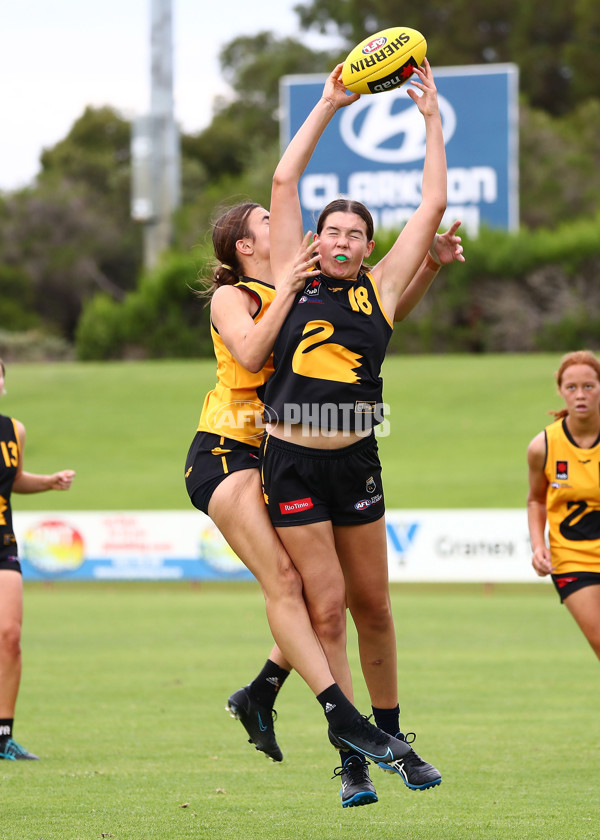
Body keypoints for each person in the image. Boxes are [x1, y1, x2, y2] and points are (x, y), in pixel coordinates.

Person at [255, 58, 447, 806]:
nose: (338, 240)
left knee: (375, 607)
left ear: (369, 245)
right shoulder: (290, 276)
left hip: (356, 461)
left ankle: (393, 735)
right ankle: (353, 756)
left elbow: (431, 203)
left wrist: (430, 120)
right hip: (293, 464)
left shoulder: (383, 289)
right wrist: (330, 104)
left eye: (353, 233)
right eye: (330, 230)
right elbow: (281, 185)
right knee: (326, 608)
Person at [184, 205, 424, 786]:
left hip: (274, 454)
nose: (285, 226)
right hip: (226, 451)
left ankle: (261, 693)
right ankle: (346, 723)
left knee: (327, 597)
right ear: (244, 247)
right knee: (292, 588)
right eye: (267, 220)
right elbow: (248, 355)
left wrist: (429, 267)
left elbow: (378, 317)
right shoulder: (241, 296)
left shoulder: (306, 288)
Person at [0, 358, 75, 761]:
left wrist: (46, 482)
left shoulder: (14, 431)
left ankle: (2, 736)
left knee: (9, 639)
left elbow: (11, 480)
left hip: (3, 543)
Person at [527, 350, 600, 660]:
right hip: (572, 559)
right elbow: (536, 499)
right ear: (560, 390)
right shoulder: (542, 446)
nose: (580, 395)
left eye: (589, 386)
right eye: (571, 387)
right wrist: (537, 546)